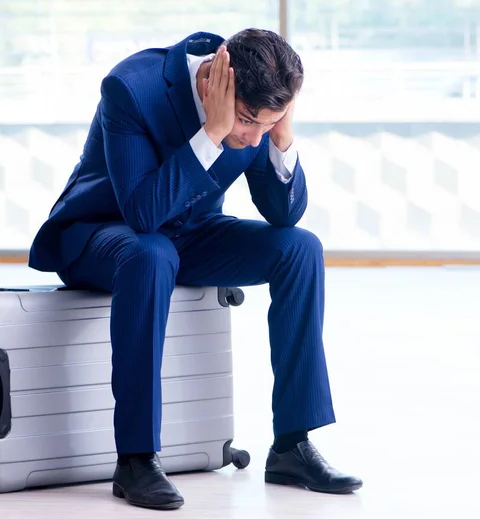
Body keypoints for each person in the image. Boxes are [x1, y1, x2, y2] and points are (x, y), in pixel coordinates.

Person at [28, 28, 362, 510]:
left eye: (267, 125)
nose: (250, 138)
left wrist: (281, 137)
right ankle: (136, 458)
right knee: (151, 252)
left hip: (191, 232)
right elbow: (142, 215)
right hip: (103, 232)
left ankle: (292, 444)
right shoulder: (131, 89)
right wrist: (211, 133)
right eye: (248, 122)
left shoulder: (259, 120)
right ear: (213, 82)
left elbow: (284, 215)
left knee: (300, 248)